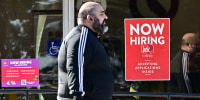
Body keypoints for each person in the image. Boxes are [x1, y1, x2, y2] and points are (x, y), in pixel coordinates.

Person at [57, 2, 114, 100]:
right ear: (90, 18)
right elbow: (75, 68)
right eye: (101, 14)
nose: (106, 17)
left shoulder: (90, 37)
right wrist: (78, 96)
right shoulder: (81, 36)